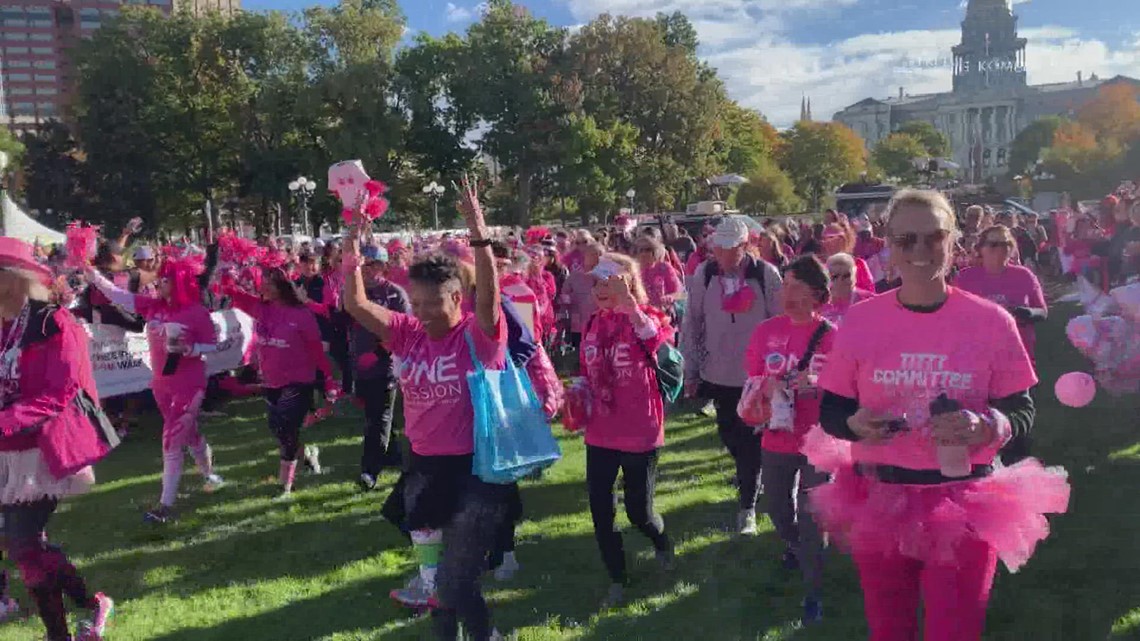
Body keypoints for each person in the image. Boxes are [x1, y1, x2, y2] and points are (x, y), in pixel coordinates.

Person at [813, 189, 1069, 641]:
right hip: (879, 494)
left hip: (963, 498)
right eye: (906, 239)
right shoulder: (860, 320)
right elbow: (832, 407)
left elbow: (1021, 407)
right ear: (888, 243)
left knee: (955, 631)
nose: (919, 251)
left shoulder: (991, 320)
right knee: (889, 630)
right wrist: (855, 423)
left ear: (953, 242)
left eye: (933, 238)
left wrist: (987, 425)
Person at [344, 178, 510, 641]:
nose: (423, 312)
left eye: (432, 302)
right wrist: (352, 240)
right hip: (423, 469)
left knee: (455, 581)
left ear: (457, 297)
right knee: (441, 586)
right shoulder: (408, 332)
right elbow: (354, 302)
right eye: (415, 302)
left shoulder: (477, 337)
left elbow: (489, 299)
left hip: (474, 473)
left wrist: (479, 234)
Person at [0, 238, 116, 641]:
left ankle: (63, 631)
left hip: (41, 451)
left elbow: (59, 392)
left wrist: (5, 422)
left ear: (13, 279)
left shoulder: (54, 323)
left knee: (24, 546)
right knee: (23, 545)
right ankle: (89, 605)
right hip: (7, 452)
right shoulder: (3, 325)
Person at [86, 254, 225, 523]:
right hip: (162, 384)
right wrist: (93, 276)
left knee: (171, 440)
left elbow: (212, 345)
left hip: (189, 385)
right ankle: (210, 476)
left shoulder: (196, 312)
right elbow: (118, 295)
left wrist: (191, 349)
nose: (158, 283)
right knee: (190, 433)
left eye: (165, 279)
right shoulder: (154, 307)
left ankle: (165, 507)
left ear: (179, 282)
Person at [577, 253, 676, 608]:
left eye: (609, 283)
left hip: (639, 429)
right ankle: (617, 578)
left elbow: (655, 342)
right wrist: (575, 390)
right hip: (600, 431)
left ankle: (661, 541)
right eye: (597, 283)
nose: (600, 290)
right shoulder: (592, 324)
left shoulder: (645, 319)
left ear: (628, 285)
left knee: (639, 512)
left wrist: (630, 305)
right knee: (601, 512)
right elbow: (587, 370)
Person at [743, 255, 835, 625]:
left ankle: (814, 592)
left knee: (814, 516)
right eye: (785, 285)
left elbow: (845, 387)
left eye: (796, 287)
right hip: (777, 436)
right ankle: (796, 547)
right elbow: (751, 374)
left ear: (817, 294)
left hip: (817, 440)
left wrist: (817, 385)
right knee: (777, 508)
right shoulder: (766, 331)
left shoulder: (831, 335)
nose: (787, 293)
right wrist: (769, 383)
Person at [682, 217, 783, 534]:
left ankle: (747, 508)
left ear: (743, 245)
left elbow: (780, 323)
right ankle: (754, 476)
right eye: (718, 248)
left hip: (756, 376)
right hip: (718, 372)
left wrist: (776, 369)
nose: (722, 255)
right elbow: (693, 322)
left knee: (749, 442)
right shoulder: (705, 273)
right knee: (729, 435)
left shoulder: (766, 275)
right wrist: (692, 368)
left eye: (729, 248)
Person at [223, 265, 333, 498]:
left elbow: (316, 351)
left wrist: (328, 381)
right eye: (262, 282)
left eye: (268, 283)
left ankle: (285, 486)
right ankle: (308, 456)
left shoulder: (301, 314)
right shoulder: (261, 308)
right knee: (278, 428)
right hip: (271, 381)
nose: (263, 286)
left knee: (286, 430)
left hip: (298, 381)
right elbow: (229, 292)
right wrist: (224, 271)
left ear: (282, 287)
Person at [351, 245, 409, 491]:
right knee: (373, 413)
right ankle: (394, 455)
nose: (368, 270)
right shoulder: (356, 293)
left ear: (384, 267)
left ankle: (370, 470)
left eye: (373, 265)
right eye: (365, 265)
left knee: (378, 418)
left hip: (385, 365)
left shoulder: (395, 294)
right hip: (359, 364)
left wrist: (378, 353)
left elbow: (405, 331)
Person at [820, 253, 875, 327]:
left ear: (854, 276)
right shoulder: (819, 304)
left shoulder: (869, 300)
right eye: (835, 277)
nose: (840, 281)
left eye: (846, 276)